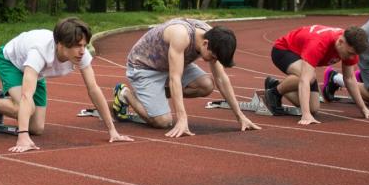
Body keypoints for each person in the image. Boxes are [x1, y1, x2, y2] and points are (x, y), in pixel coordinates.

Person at [0, 17, 133, 153]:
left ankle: (3, 98)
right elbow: (27, 96)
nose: (82, 51)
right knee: (27, 107)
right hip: (12, 63)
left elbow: (93, 89)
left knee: (36, 128)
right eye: (77, 46)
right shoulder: (39, 52)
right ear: (60, 45)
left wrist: (113, 131)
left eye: (84, 45)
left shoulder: (81, 54)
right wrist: (23, 137)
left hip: (37, 72)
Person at [111, 18, 260, 137]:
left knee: (206, 85)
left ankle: (150, 97)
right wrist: (182, 119)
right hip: (144, 67)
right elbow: (175, 78)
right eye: (213, 57)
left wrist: (240, 116)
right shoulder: (181, 35)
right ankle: (125, 94)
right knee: (163, 121)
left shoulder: (212, 36)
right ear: (205, 43)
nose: (214, 61)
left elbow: (221, 78)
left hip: (169, 63)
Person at [261, 25, 369, 125]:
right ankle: (274, 93)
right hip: (283, 50)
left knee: (313, 108)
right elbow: (305, 79)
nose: (352, 58)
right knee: (309, 77)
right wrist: (305, 115)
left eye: (354, 55)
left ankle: (274, 84)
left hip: (302, 54)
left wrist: (364, 109)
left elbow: (349, 78)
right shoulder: (318, 43)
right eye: (350, 54)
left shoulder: (350, 48)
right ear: (341, 42)